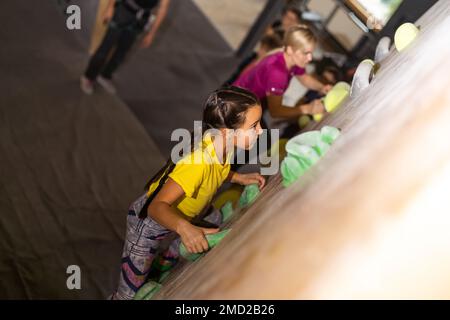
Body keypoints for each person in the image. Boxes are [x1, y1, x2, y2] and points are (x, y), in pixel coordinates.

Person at [111, 86, 266, 300]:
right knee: (129, 294)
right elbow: (157, 207)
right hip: (149, 224)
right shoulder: (198, 162)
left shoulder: (223, 146)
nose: (261, 131)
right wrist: (186, 229)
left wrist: (239, 178)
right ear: (227, 132)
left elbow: (218, 170)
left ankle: (163, 263)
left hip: (189, 213)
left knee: (215, 222)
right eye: (254, 126)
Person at [233, 24, 332, 131]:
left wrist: (322, 87)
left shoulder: (289, 59)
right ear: (290, 50)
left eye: (311, 53)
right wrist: (307, 109)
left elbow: (304, 78)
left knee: (262, 142)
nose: (310, 58)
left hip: (244, 104)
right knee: (260, 142)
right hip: (236, 109)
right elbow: (275, 111)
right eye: (306, 53)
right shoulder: (278, 74)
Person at [80, 0, 170, 95]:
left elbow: (163, 9)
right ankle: (88, 77)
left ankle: (105, 76)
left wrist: (152, 33)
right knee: (106, 46)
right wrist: (110, 8)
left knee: (121, 52)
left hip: (140, 20)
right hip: (124, 12)